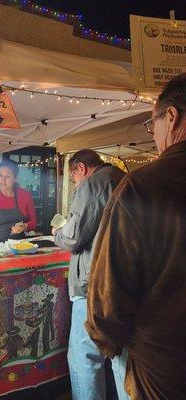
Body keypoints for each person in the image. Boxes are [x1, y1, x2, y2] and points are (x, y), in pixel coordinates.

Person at [86, 73, 186, 399]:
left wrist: (108, 344)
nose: (153, 135)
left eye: (152, 124)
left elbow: (106, 300)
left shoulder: (142, 188)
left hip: (161, 371)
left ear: (171, 118)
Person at [52, 149, 125, 400]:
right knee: (121, 357)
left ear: (81, 168)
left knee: (84, 355)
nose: (76, 184)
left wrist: (57, 234)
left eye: (74, 179)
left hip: (93, 284)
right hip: (125, 281)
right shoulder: (125, 178)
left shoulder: (93, 184)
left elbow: (73, 237)